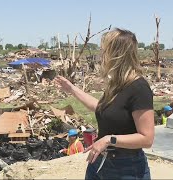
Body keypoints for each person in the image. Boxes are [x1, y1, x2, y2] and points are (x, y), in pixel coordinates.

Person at [55, 28, 154, 179]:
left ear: (117, 54)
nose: (101, 56)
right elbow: (100, 108)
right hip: (99, 162)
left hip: (126, 168)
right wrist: (71, 89)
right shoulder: (116, 85)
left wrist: (109, 139)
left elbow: (147, 138)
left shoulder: (139, 88)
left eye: (104, 51)